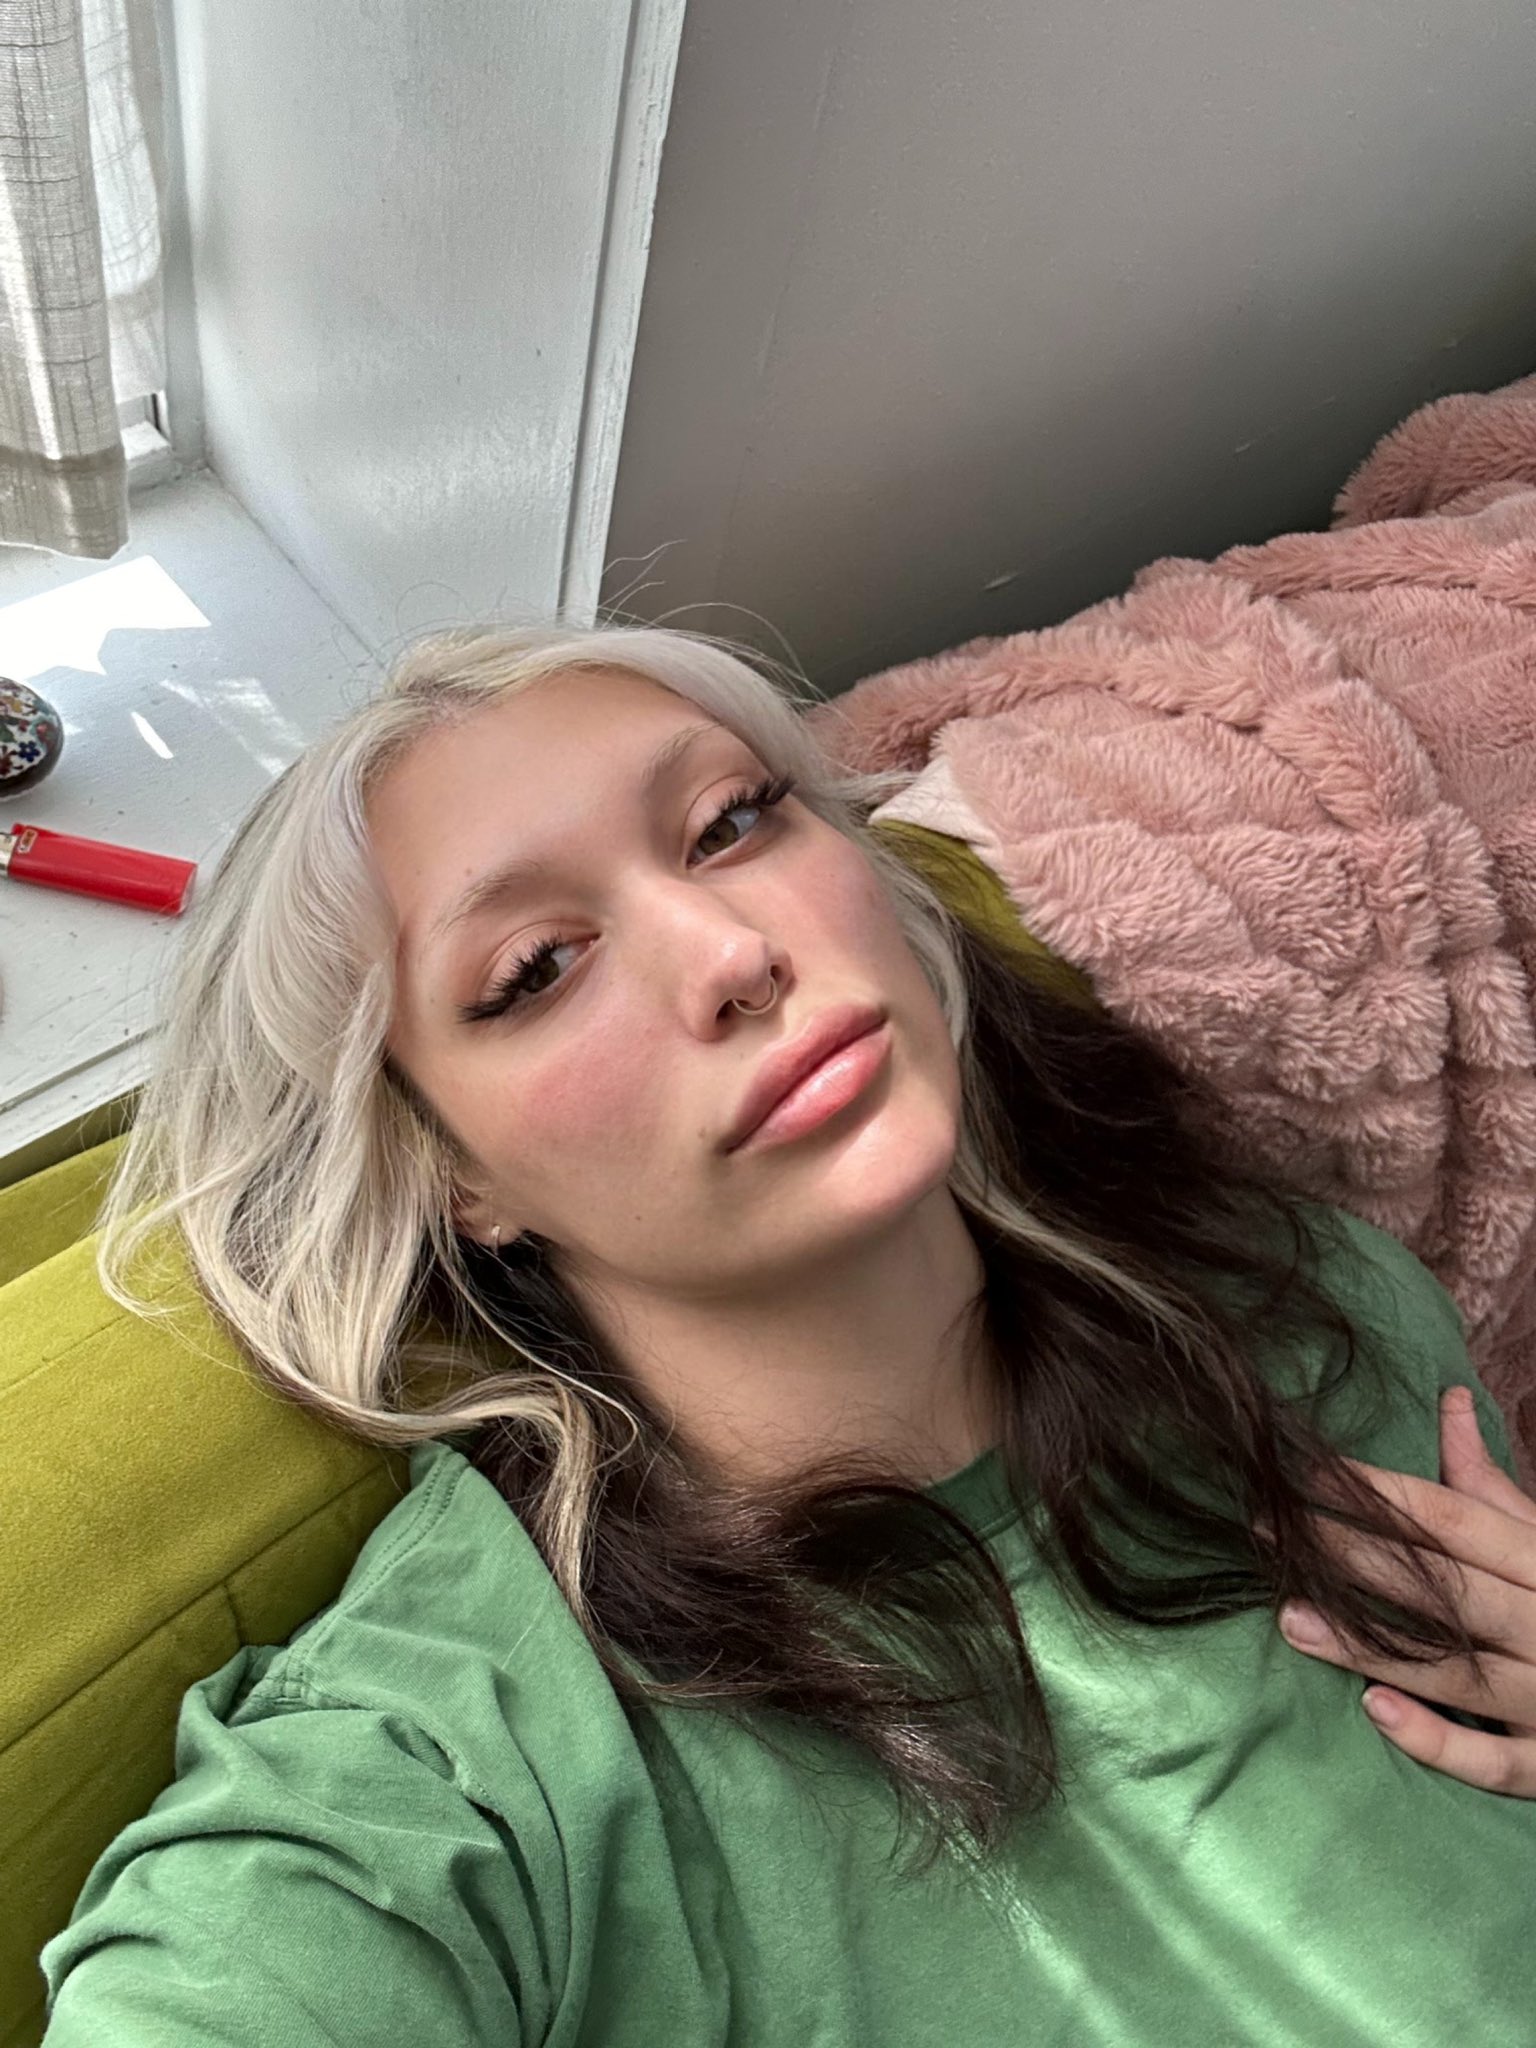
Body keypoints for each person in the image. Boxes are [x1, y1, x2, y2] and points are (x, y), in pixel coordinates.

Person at [38, 621, 1536, 2045]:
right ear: (451, 1174)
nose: (732, 951)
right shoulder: (442, 1779)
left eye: (733, 822)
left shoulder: (1311, 1303)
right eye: (537, 968)